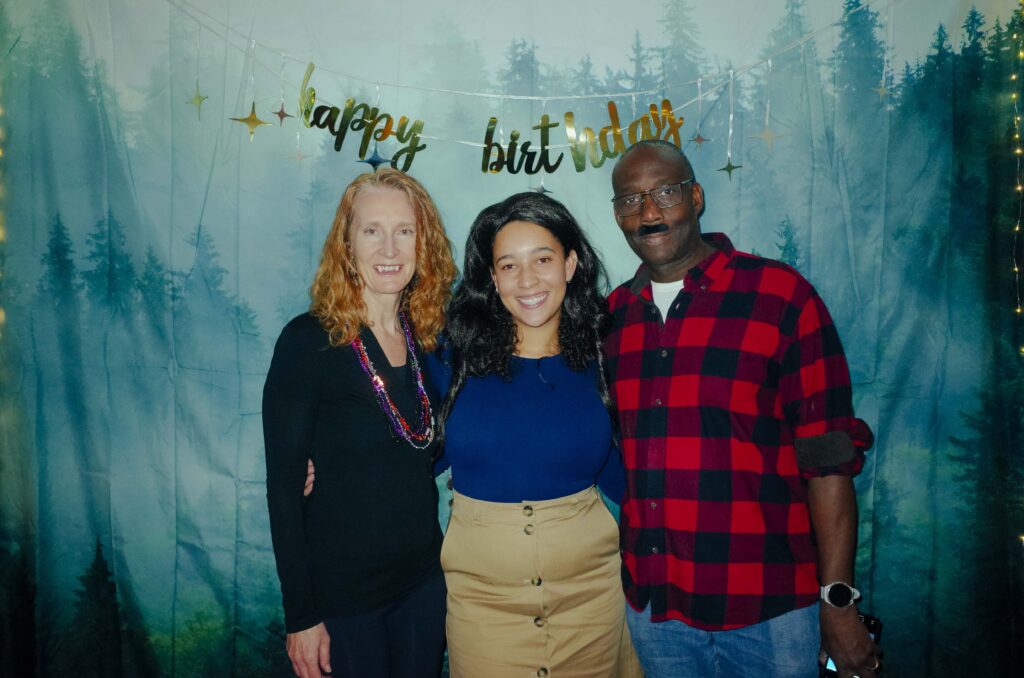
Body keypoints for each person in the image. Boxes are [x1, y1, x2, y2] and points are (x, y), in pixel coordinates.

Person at [603, 140, 880, 678]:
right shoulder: (612, 318)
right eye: (630, 200)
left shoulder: (780, 297)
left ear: (696, 197)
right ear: (617, 215)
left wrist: (837, 600)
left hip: (770, 613)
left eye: (665, 192)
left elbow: (828, 463)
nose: (649, 212)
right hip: (658, 615)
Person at [434, 192, 642, 678]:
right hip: (483, 610)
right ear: (492, 278)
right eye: (509, 265)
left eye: (543, 260)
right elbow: (406, 453)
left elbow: (630, 480)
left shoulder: (603, 358)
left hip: (591, 606)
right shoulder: (451, 359)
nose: (527, 280)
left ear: (570, 264)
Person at [262, 168, 457, 678]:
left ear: (423, 243)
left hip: (423, 586)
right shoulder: (308, 341)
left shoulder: (428, 338)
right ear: (347, 244)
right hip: (344, 603)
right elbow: (283, 491)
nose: (390, 248)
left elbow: (421, 448)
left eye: (405, 231)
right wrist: (301, 616)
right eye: (372, 230)